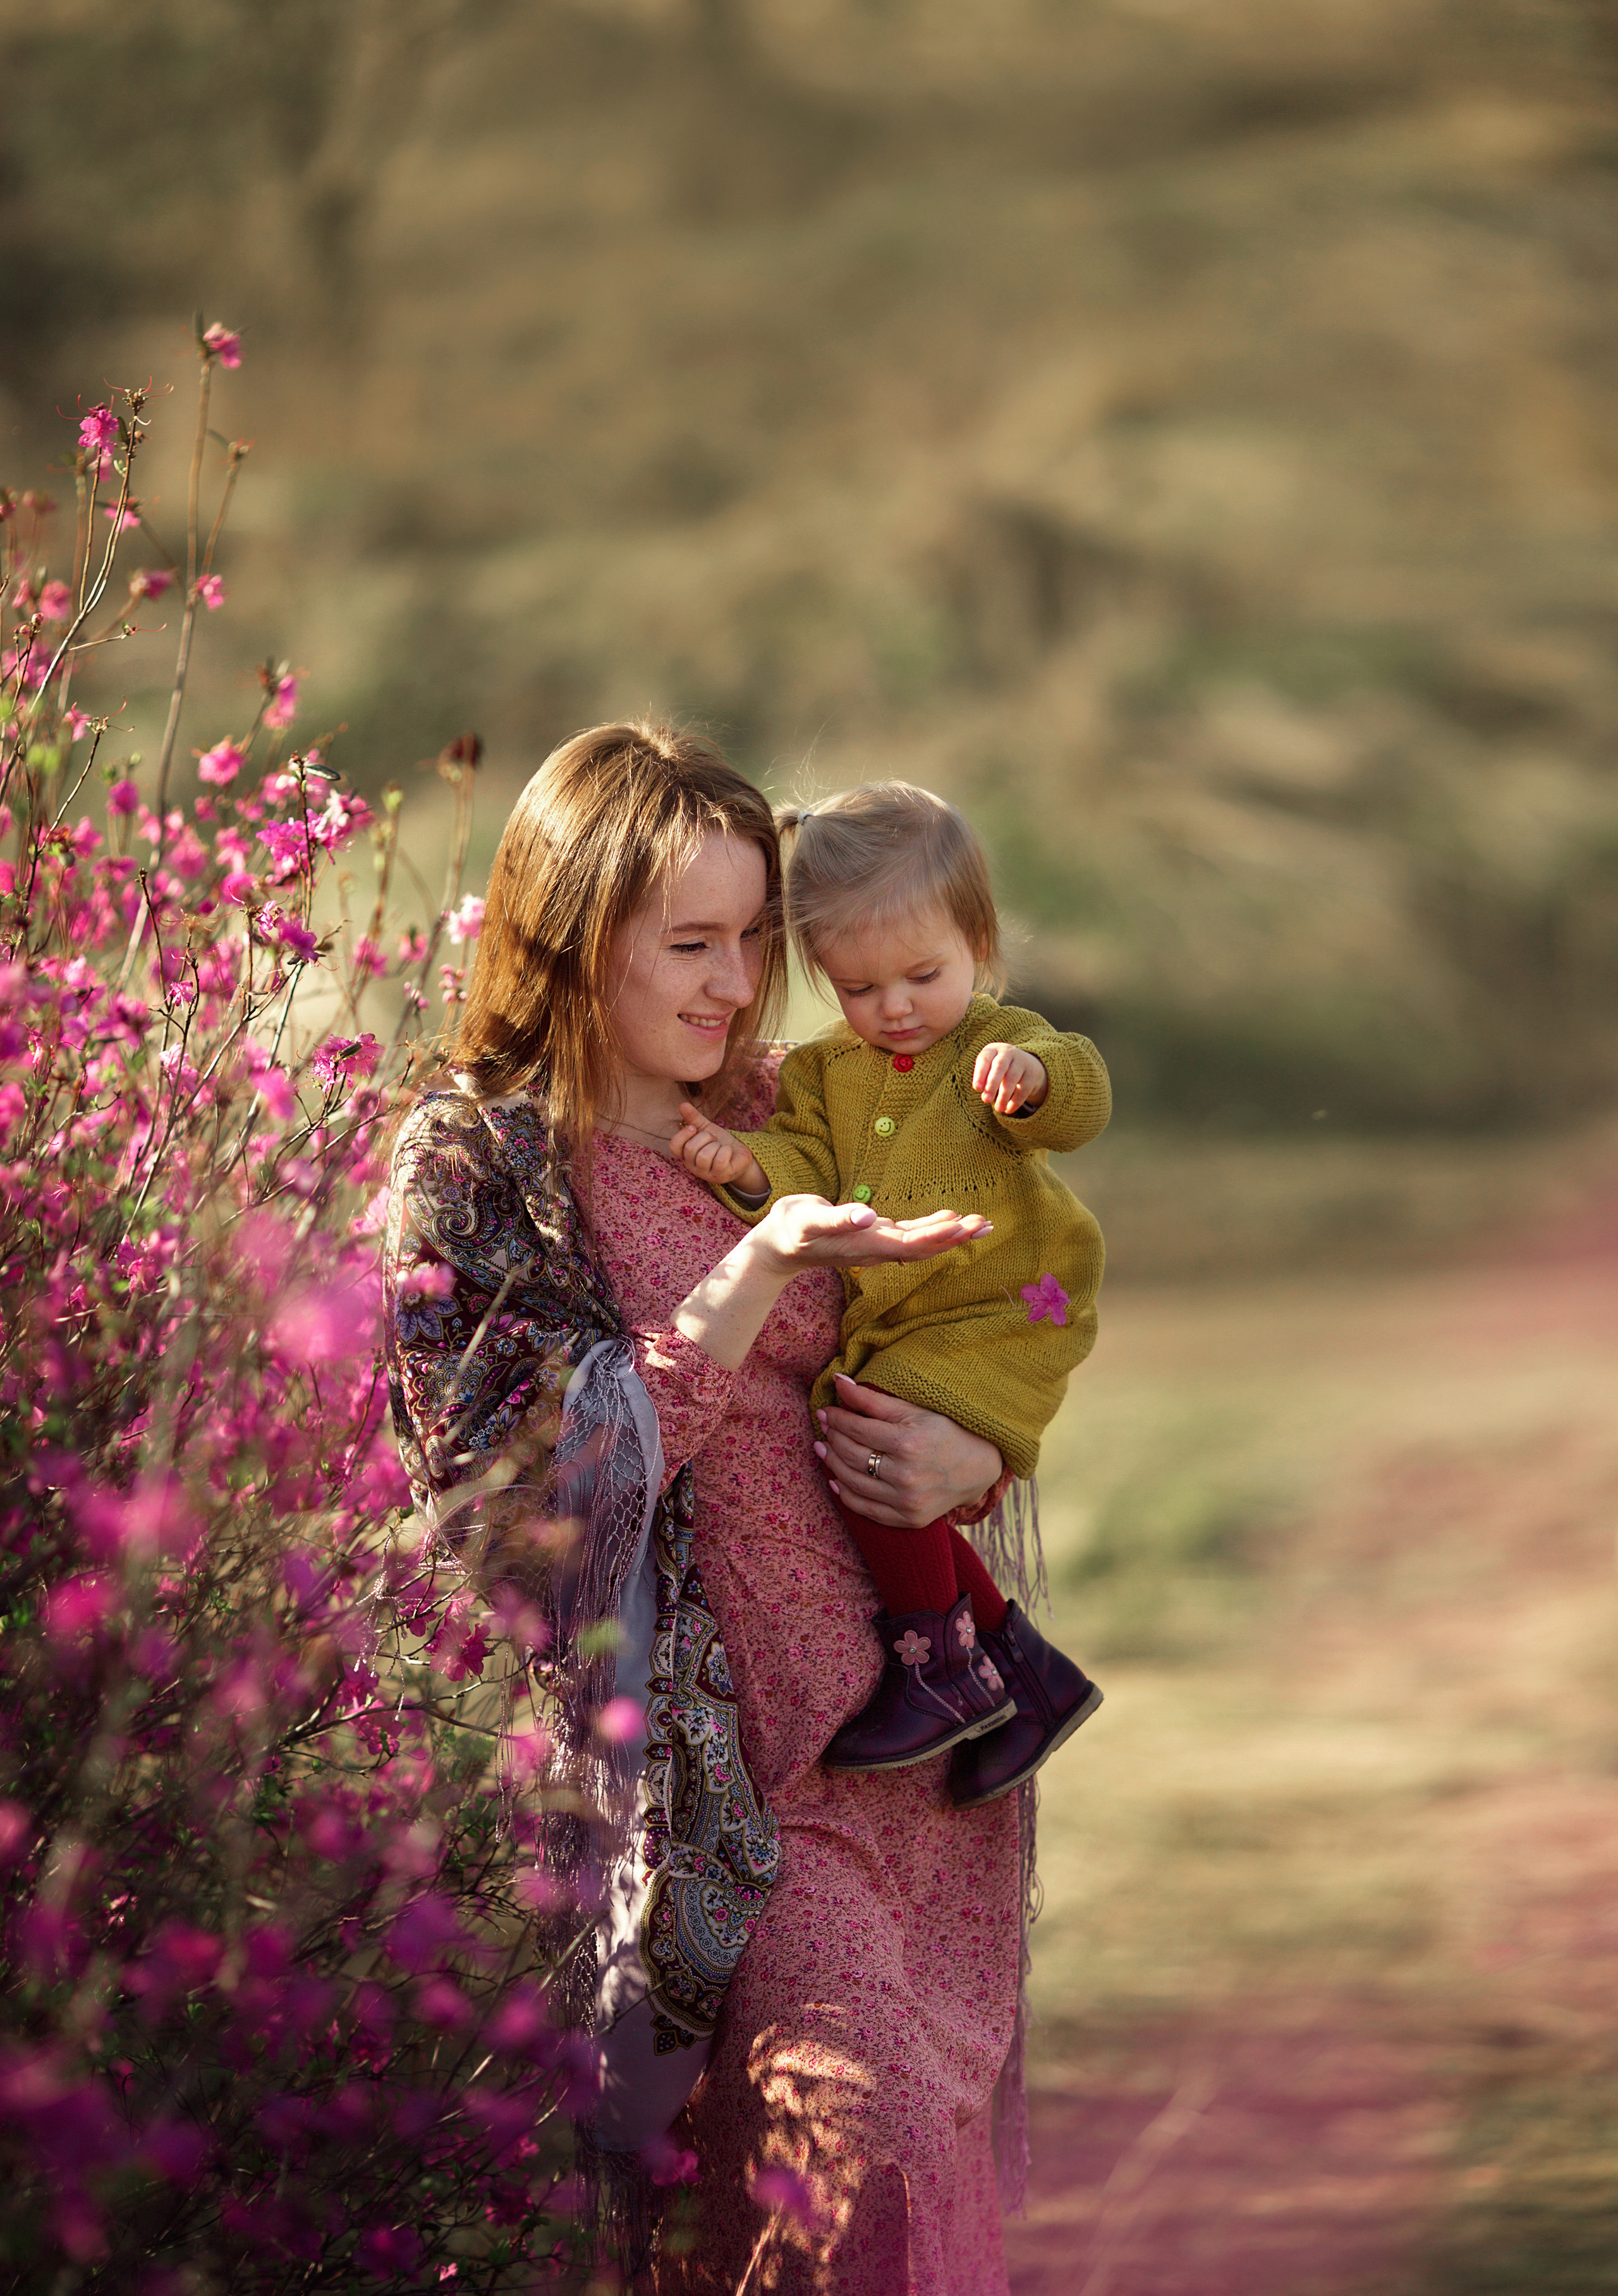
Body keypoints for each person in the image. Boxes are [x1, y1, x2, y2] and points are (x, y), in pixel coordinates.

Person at [383, 723, 1033, 2294]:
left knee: (925, 2191)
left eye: (754, 939)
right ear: (569, 937)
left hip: (922, 1749)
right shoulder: (471, 1172)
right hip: (722, 1808)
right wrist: (749, 1276)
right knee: (844, 2158)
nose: (740, 983)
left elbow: (988, 1300)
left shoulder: (770, 1102)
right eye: (691, 942)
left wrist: (977, 1457)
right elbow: (516, 1502)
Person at [668, 781, 1108, 1805]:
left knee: (876, 1429)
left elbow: (1080, 1089)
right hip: (915, 1315)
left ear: (979, 946)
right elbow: (804, 1157)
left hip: (1006, 1300)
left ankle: (942, 1671)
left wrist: (1034, 1083)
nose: (896, 1008)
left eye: (923, 974)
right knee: (868, 1440)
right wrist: (742, 1164)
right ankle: (1024, 1674)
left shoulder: (994, 1044)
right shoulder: (830, 1072)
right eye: (861, 990)